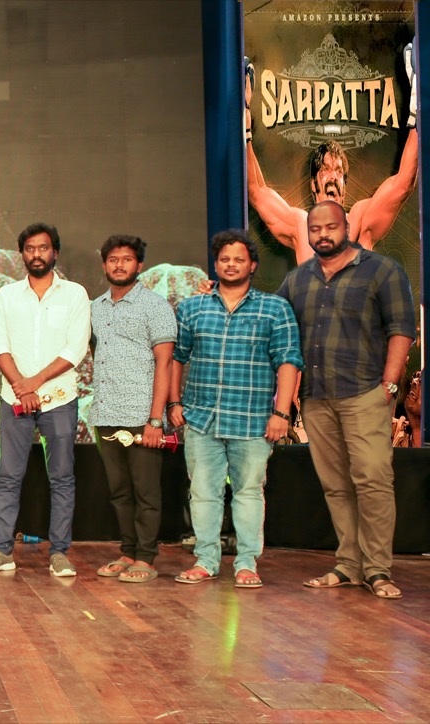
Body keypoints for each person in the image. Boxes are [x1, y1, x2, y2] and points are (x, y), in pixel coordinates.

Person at [280, 201, 416, 599]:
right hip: (316, 397)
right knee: (336, 485)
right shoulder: (297, 280)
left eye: (330, 226)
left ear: (347, 226)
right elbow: (272, 322)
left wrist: (390, 386)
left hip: (365, 393)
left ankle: (378, 570)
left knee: (373, 479)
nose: (323, 234)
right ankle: (348, 565)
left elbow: (402, 328)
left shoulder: (382, 270)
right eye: (315, 228)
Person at [169, 230, 302, 588]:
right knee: (203, 494)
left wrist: (281, 414)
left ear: (252, 265)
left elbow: (288, 361)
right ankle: (206, 560)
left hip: (254, 420)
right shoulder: (192, 307)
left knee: (248, 493)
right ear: (216, 264)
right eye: (224, 259)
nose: (231, 264)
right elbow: (177, 357)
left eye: (239, 259)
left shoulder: (275, 309)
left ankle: (246, 564)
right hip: (201, 419)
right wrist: (174, 402)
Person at [0, 223, 90, 576]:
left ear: (55, 252)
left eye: (43, 248)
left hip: (59, 399)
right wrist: (21, 387)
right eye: (29, 248)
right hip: (14, 399)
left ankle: (59, 553)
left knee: (62, 478)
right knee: (8, 477)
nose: (36, 254)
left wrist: (34, 384)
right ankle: (2, 551)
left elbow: (76, 348)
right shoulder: (7, 295)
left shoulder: (75, 294)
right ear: (22, 253)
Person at [245, 51, 418, 263]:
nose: (333, 176)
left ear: (344, 186)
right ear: (313, 184)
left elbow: (403, 184)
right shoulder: (301, 227)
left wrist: (417, 110)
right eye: (325, 169)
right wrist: (244, 118)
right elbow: (257, 191)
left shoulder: (359, 220)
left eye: (338, 171)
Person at [88, 235, 176, 583]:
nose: (119, 265)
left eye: (127, 259)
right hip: (105, 413)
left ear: (139, 265)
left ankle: (146, 558)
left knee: (146, 492)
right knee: (119, 492)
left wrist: (156, 418)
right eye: (113, 259)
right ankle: (127, 552)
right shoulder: (95, 307)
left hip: (142, 416)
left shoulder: (155, 305)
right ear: (104, 265)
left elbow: (165, 363)